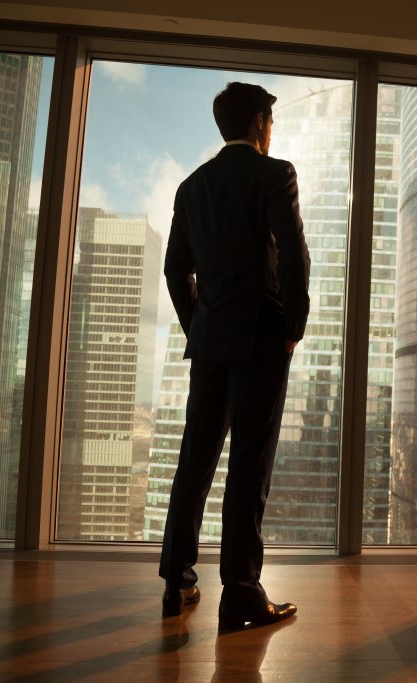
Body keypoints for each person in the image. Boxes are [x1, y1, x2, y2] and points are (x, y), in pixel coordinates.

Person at [158, 82, 310, 629]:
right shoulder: (276, 174)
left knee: (194, 463)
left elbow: (177, 270)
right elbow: (292, 253)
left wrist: (198, 324)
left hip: (211, 343)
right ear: (258, 123)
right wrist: (292, 325)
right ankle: (241, 593)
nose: (273, 130)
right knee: (249, 466)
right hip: (261, 341)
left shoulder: (191, 187)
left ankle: (177, 580)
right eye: (270, 121)